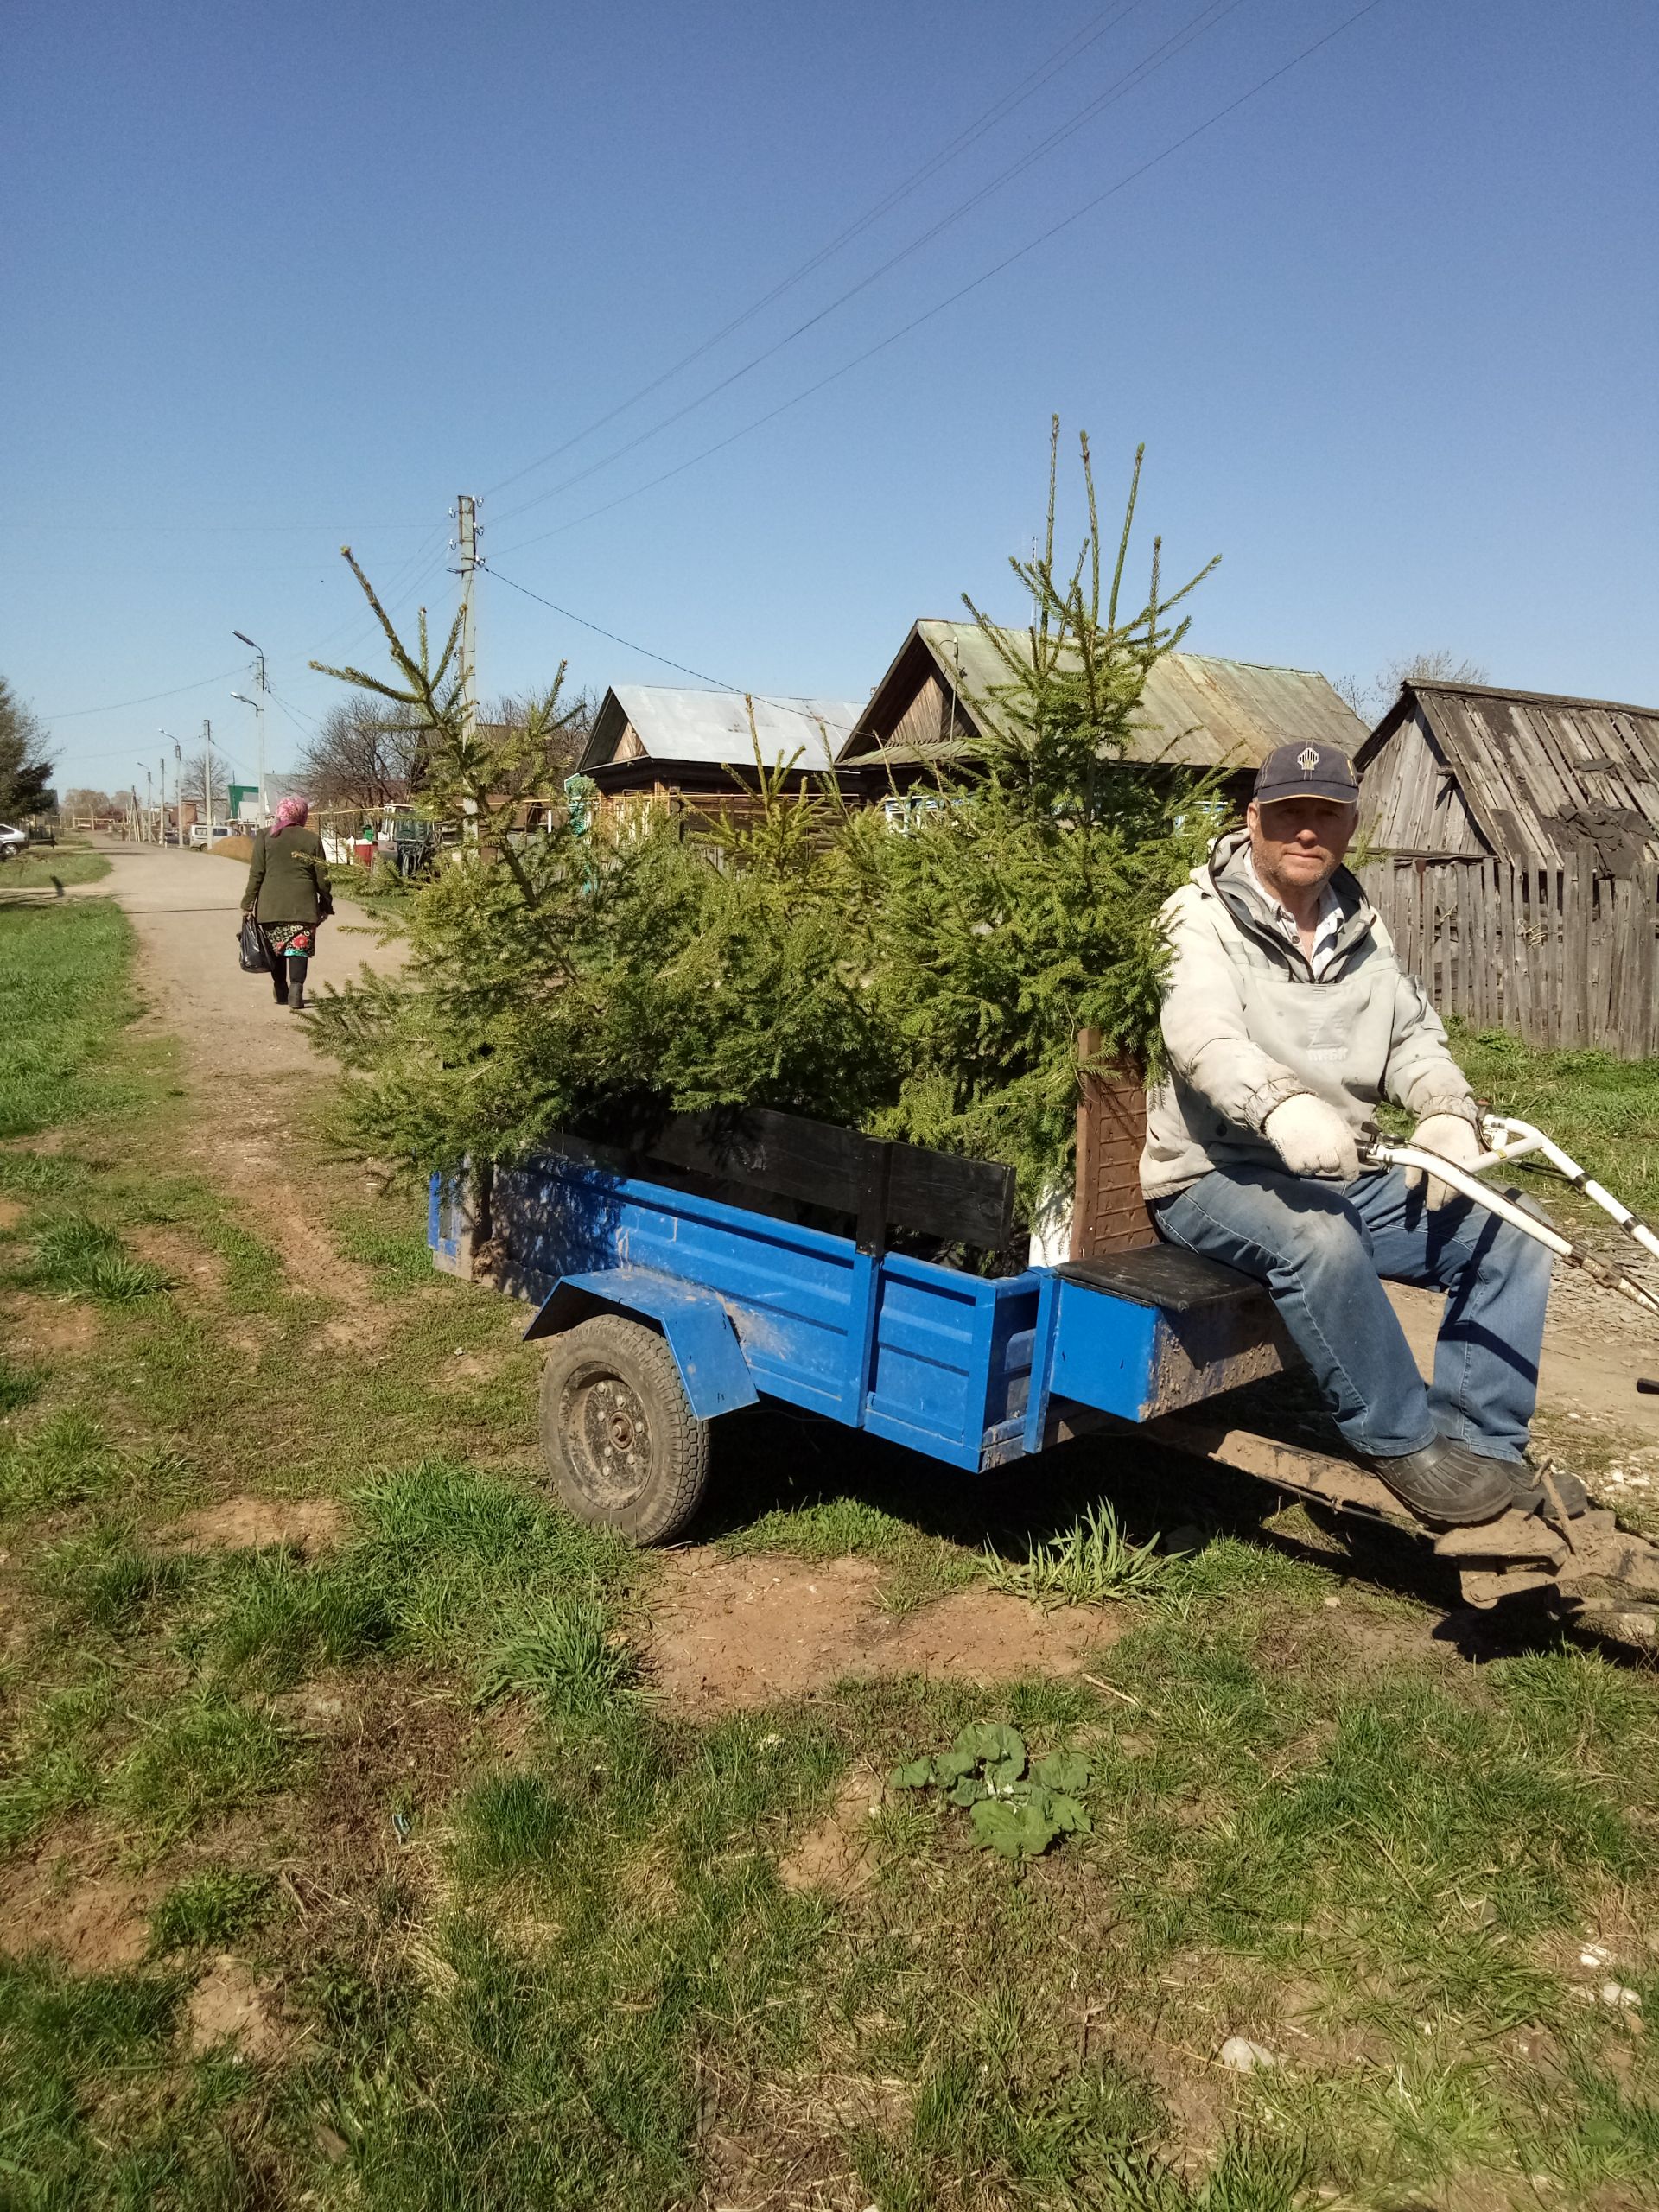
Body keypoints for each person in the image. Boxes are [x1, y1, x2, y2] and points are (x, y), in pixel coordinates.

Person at [1140, 741, 1556, 1532]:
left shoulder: (1360, 923)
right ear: (1253, 817)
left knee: (1511, 1229)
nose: (1307, 832)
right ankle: (1401, 1441)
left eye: (1325, 815)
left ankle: (1485, 1442)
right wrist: (1279, 1105)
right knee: (1323, 1240)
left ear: (1349, 824)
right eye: (1290, 813)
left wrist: (1443, 1108)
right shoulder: (1195, 918)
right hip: (1212, 1175)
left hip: (1339, 1167)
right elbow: (1204, 1036)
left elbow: (1411, 1036)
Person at [241, 796, 332, 1013]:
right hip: (303, 906)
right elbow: (322, 877)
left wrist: (247, 903)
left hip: (271, 906)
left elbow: (257, 873)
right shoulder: (312, 839)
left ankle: (280, 988)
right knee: (298, 949)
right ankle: (296, 991)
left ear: (279, 812)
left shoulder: (265, 836)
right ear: (301, 814)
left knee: (276, 949)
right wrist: (325, 904)